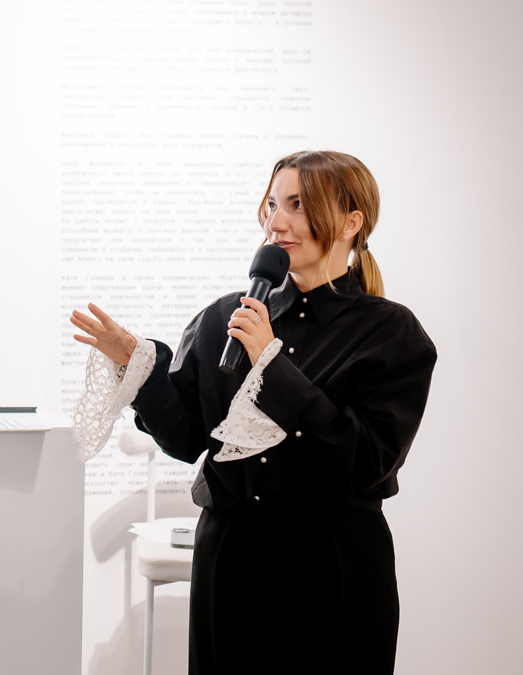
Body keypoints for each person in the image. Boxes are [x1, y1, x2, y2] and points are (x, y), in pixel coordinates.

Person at [70, 151, 436, 674]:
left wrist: (271, 363)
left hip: (332, 568)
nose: (276, 222)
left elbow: (365, 460)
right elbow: (187, 437)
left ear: (351, 222)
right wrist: (137, 364)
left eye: (298, 205)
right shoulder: (226, 316)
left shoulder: (391, 333)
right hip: (230, 563)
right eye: (272, 204)